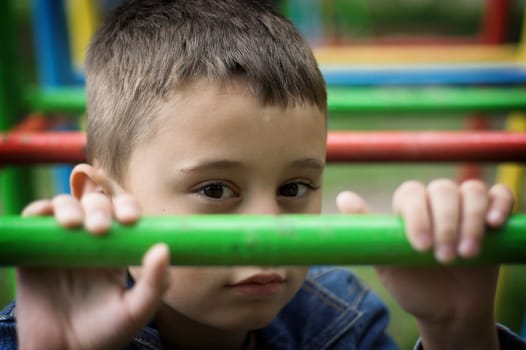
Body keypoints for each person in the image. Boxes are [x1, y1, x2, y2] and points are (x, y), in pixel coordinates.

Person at [0, 1, 523, 349]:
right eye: (214, 189)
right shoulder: (39, 330)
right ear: (104, 199)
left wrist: (458, 331)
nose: (269, 229)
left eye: (294, 188)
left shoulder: (338, 323)